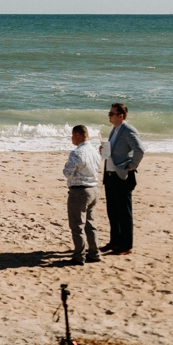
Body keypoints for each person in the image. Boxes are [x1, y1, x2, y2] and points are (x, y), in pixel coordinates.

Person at [102, 103, 145, 256]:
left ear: (121, 116)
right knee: (112, 211)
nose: (109, 115)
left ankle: (126, 246)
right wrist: (104, 151)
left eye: (111, 113)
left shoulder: (128, 130)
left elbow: (140, 150)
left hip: (122, 176)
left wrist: (131, 165)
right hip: (110, 176)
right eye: (109, 113)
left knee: (124, 213)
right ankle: (115, 242)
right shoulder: (114, 130)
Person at [63, 124, 102, 265]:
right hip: (93, 189)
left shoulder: (76, 153)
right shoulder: (95, 152)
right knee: (90, 223)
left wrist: (66, 165)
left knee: (77, 225)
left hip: (79, 191)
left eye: (72, 135)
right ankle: (94, 252)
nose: (71, 138)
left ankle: (79, 256)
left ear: (78, 135)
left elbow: (68, 173)